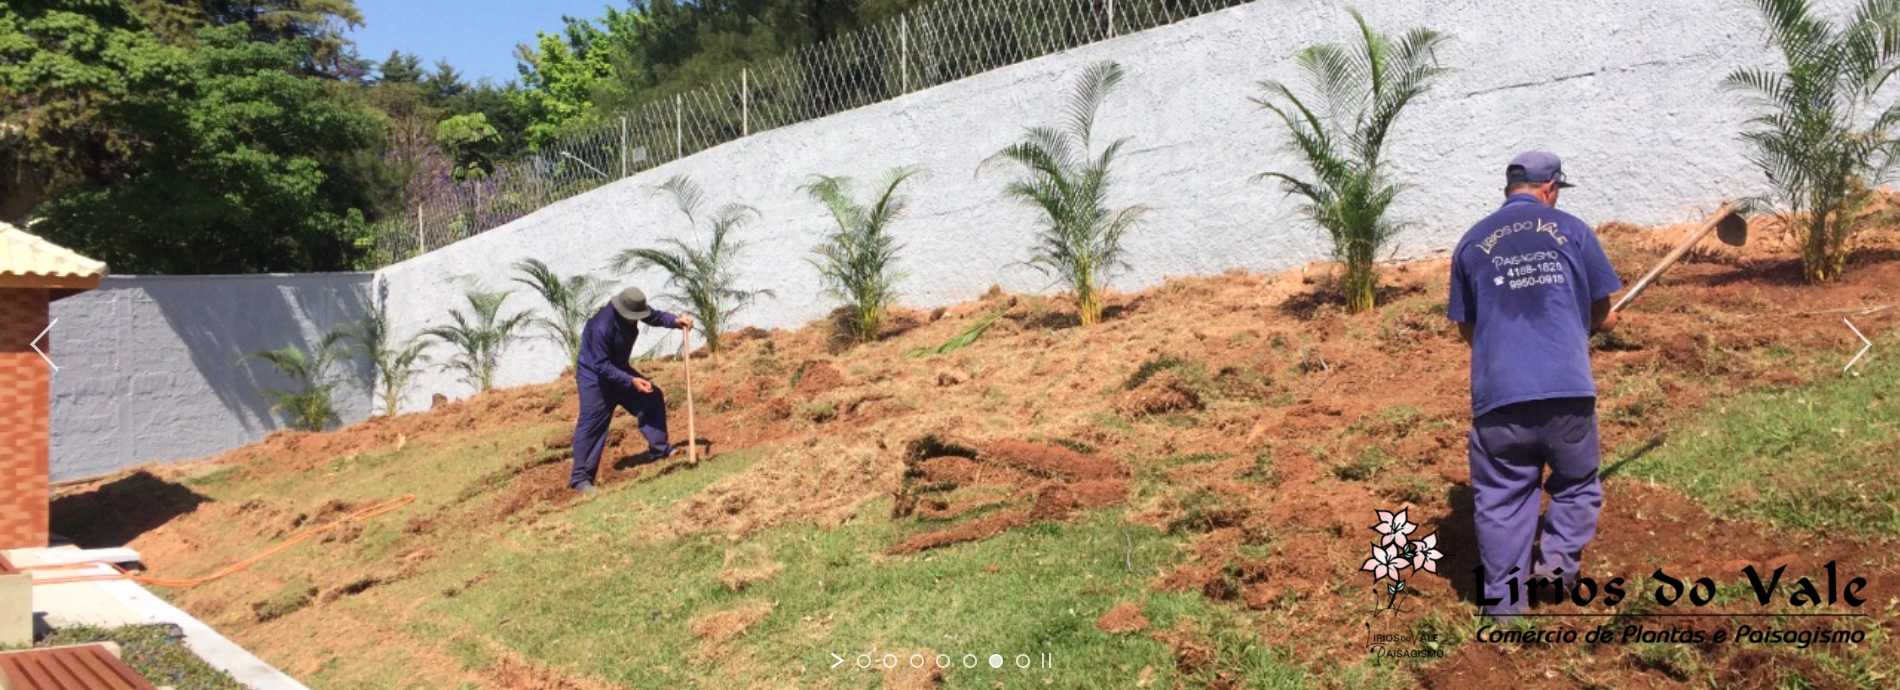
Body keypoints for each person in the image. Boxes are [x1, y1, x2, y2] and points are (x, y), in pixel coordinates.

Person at [1447, 151, 1621, 618]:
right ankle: (1556, 570)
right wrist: (1600, 323)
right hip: (1567, 390)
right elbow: (1601, 312)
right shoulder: (1573, 231)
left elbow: (1466, 328)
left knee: (1501, 499)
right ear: (1550, 188)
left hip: (1499, 396)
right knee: (1577, 482)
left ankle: (1504, 609)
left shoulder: (1472, 242)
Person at [570, 287, 694, 493]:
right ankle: (580, 479)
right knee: (592, 424)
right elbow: (601, 365)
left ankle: (659, 450)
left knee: (651, 397)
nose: (637, 320)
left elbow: (654, 316)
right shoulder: (601, 326)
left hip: (618, 368)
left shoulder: (633, 308)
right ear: (622, 311)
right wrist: (630, 380)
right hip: (595, 377)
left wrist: (675, 321)